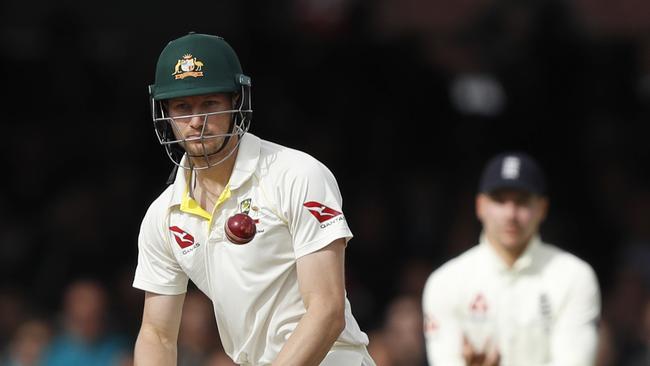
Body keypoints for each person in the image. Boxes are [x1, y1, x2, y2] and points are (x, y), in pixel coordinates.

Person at [132, 32, 374, 366]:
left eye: (210, 104)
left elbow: (327, 310)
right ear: (166, 114)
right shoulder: (164, 215)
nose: (196, 122)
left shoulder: (295, 174)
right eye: (182, 107)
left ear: (235, 103)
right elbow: (156, 334)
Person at [422, 152, 601, 366]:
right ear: (480, 206)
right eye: (499, 200)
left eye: (522, 201)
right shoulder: (446, 282)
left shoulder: (574, 276)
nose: (510, 213)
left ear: (542, 208)